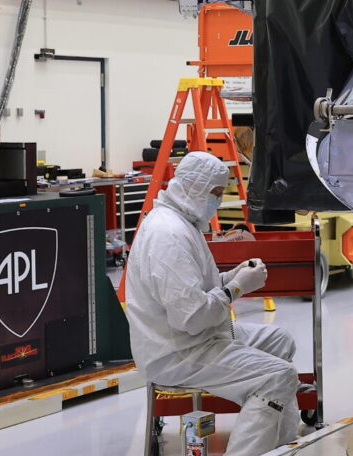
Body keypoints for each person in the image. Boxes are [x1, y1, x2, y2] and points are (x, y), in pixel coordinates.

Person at [126, 152, 300, 456]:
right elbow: (191, 318)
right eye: (215, 194)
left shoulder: (182, 222)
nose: (217, 202)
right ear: (193, 186)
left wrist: (231, 277)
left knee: (279, 339)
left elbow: (193, 292)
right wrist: (235, 289)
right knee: (279, 376)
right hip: (178, 352)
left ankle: (281, 443)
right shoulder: (168, 235)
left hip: (191, 337)